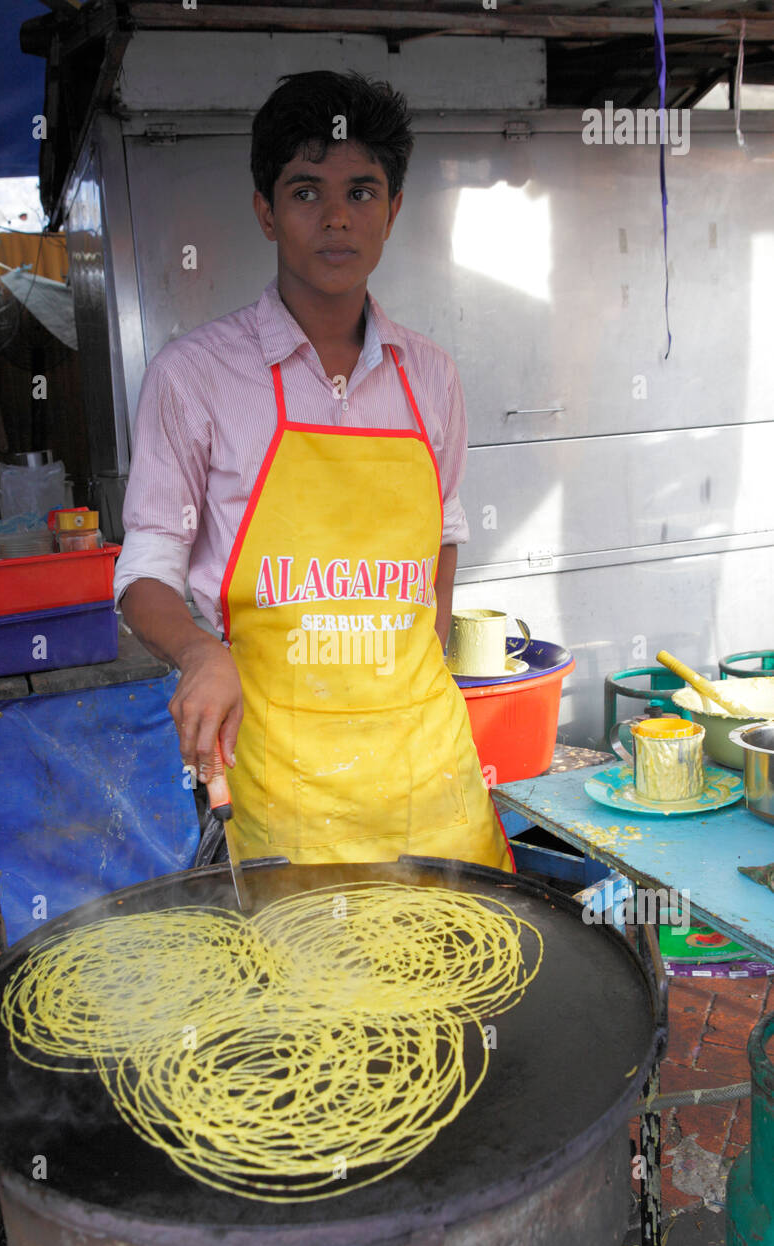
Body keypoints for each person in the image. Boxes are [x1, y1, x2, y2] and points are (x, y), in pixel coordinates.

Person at [115, 69, 514, 871]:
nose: (336, 217)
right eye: (305, 192)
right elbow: (145, 568)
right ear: (266, 211)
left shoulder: (429, 375)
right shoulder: (193, 376)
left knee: (461, 980)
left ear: (394, 210)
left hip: (428, 779)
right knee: (306, 992)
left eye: (362, 192)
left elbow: (444, 532)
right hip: (281, 787)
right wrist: (200, 653)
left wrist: (418, 670)